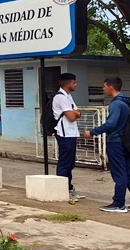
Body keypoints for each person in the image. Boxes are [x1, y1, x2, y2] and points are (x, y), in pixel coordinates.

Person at [84, 77, 130, 213]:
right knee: (129, 172)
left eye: (104, 86)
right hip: (127, 141)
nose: (103, 89)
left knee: (119, 173)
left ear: (111, 87)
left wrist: (92, 132)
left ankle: (119, 203)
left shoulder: (116, 104)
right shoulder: (127, 101)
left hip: (116, 142)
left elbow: (111, 124)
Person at [53, 72, 84, 200]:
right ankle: (62, 189)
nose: (75, 85)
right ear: (67, 84)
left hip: (71, 133)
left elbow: (78, 111)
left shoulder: (68, 96)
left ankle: (69, 187)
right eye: (73, 83)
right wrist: (74, 113)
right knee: (65, 163)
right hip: (64, 133)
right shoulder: (61, 98)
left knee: (70, 162)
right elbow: (72, 117)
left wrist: (75, 113)